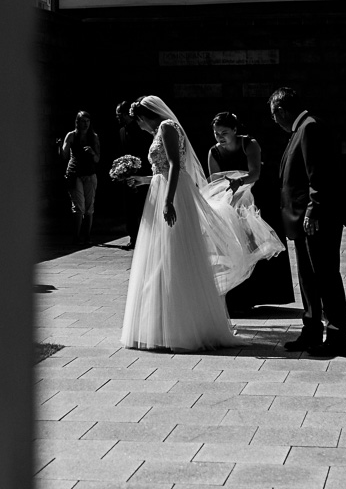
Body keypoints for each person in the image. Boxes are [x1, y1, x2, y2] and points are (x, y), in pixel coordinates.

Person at [120, 96, 281, 352]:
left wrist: (168, 200)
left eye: (137, 122)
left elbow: (175, 166)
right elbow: (164, 169)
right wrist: (142, 180)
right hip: (163, 189)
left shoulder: (166, 127)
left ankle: (180, 328)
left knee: (174, 255)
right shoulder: (165, 129)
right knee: (163, 258)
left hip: (172, 194)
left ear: (143, 116)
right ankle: (161, 324)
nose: (138, 127)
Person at [270, 87, 346, 357]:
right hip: (302, 219)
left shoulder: (310, 128)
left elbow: (319, 175)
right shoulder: (302, 129)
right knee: (308, 278)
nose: (274, 121)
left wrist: (313, 211)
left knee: (325, 276)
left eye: (274, 116)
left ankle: (336, 336)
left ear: (282, 111)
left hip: (317, 218)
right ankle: (311, 331)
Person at [207, 112, 294, 314]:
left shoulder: (249, 144)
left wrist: (240, 183)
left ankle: (264, 293)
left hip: (255, 196)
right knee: (234, 245)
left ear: (235, 130)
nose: (220, 137)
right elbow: (214, 181)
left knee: (257, 243)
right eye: (216, 133)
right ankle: (235, 297)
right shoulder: (214, 152)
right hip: (228, 200)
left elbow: (255, 172)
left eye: (224, 132)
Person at [59, 111, 101, 244]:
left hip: (89, 174)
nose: (85, 124)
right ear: (77, 122)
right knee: (79, 207)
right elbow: (64, 156)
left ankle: (87, 236)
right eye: (82, 121)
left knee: (89, 207)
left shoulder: (93, 136)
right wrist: (59, 147)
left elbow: (97, 159)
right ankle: (76, 237)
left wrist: (92, 152)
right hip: (74, 173)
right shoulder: (71, 135)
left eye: (87, 121)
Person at [116, 101, 152, 249]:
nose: (118, 118)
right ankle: (133, 236)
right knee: (129, 207)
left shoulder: (142, 129)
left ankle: (147, 237)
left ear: (126, 114)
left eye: (119, 115)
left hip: (143, 174)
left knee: (144, 207)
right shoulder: (121, 131)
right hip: (127, 175)